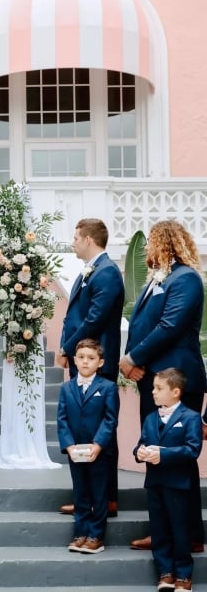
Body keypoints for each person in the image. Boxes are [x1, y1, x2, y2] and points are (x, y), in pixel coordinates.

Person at [119, 220, 205, 553]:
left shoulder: (186, 280)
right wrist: (137, 363)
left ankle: (189, 535)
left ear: (165, 243)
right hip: (155, 378)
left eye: (150, 244)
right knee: (155, 456)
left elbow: (169, 327)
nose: (145, 252)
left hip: (178, 381)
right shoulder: (159, 280)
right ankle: (161, 531)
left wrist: (133, 357)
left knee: (177, 460)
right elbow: (145, 324)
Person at [55, 219, 124, 518]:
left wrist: (69, 348)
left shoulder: (107, 272)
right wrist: (65, 346)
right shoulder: (90, 271)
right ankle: (86, 501)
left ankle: (106, 499)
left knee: (101, 432)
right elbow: (74, 316)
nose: (72, 243)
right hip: (81, 358)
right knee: (83, 427)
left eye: (75, 237)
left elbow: (93, 320)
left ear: (88, 239)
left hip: (96, 361)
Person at [134, 368, 202, 592]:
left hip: (178, 484)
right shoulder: (151, 418)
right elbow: (141, 442)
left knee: (180, 528)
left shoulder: (191, 417)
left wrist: (163, 454)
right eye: (153, 388)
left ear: (175, 392)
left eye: (158, 388)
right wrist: (139, 452)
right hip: (155, 482)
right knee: (159, 528)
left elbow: (192, 450)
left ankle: (183, 574)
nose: (153, 392)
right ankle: (165, 572)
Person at [57, 339, 119, 555]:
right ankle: (80, 532)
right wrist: (70, 447)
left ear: (100, 362)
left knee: (98, 493)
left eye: (91, 358)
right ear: (74, 360)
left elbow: (110, 419)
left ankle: (96, 535)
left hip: (98, 452)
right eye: (81, 358)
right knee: (80, 492)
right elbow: (62, 419)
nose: (85, 362)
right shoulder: (66, 388)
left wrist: (98, 444)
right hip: (76, 452)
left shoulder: (108, 387)